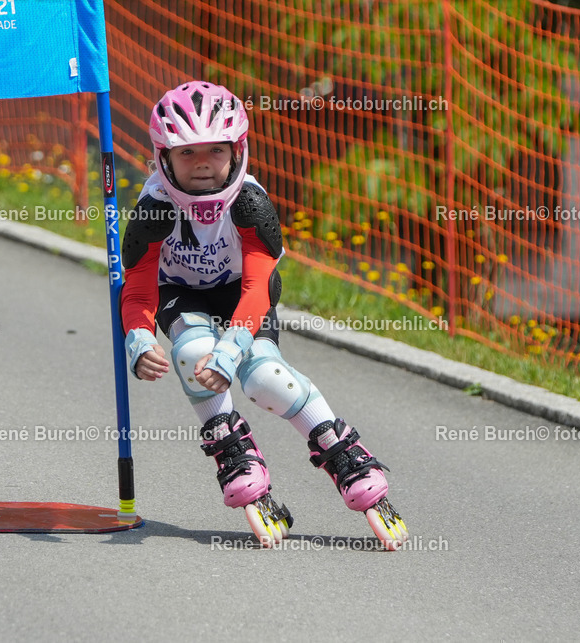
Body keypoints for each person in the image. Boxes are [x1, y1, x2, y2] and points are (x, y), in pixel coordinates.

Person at [120, 80, 408, 549]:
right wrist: (138, 337)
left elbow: (256, 288)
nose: (202, 164)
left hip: (243, 293)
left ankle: (344, 451)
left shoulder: (250, 203)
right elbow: (136, 289)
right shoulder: (154, 209)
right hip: (180, 292)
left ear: (238, 151)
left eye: (216, 149)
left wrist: (232, 350)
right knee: (194, 350)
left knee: (264, 377)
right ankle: (233, 451)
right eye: (187, 152)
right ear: (163, 157)